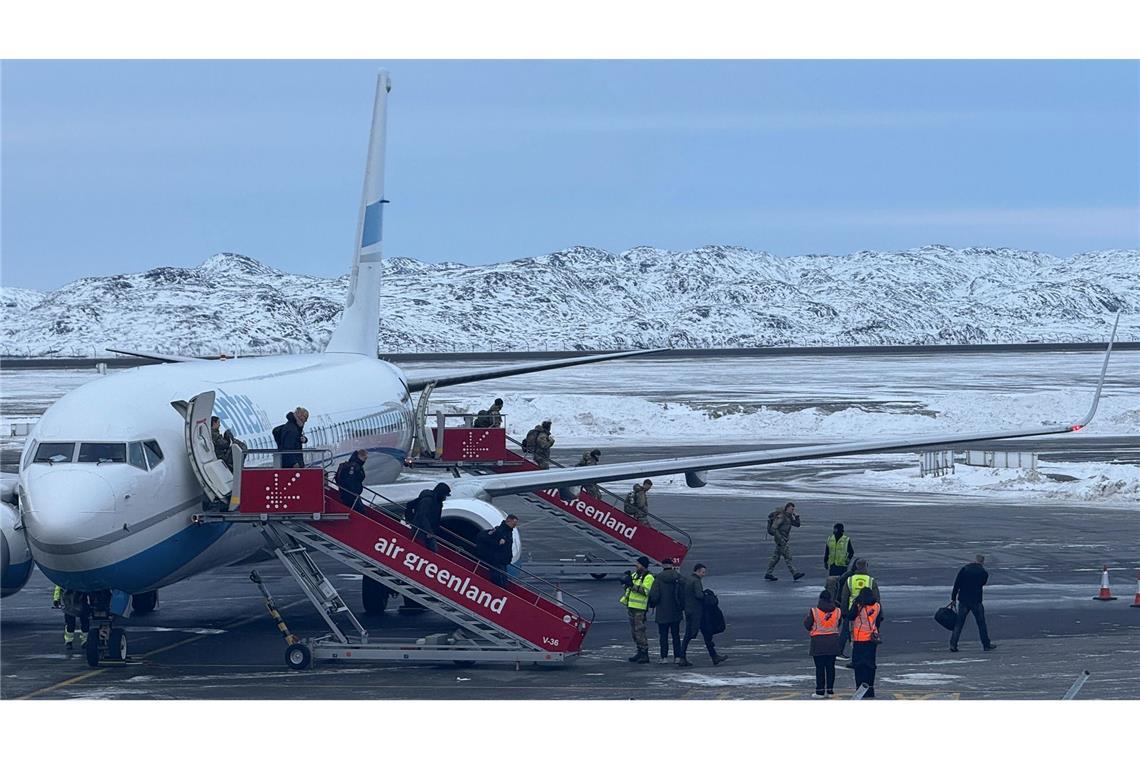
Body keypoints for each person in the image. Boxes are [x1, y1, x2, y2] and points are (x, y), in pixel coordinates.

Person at [678, 563, 728, 667]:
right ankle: (683, 657)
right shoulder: (696, 581)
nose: (704, 574)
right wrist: (708, 596)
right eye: (703, 572)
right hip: (697, 612)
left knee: (697, 634)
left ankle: (713, 656)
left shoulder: (688, 579)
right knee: (696, 634)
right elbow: (699, 595)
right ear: (698, 571)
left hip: (689, 610)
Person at [950, 554, 996, 653]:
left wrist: (953, 598)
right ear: (982, 562)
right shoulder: (983, 572)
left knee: (959, 624)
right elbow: (983, 583)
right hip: (976, 600)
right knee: (981, 624)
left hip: (963, 600)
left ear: (974, 560)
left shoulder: (964, 569)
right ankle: (986, 645)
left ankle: (953, 644)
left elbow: (957, 584)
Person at [836, 558, 880, 659]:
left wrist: (844, 611)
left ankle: (853, 654)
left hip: (853, 611)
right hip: (868, 611)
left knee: (852, 633)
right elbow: (876, 597)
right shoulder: (870, 580)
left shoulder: (850, 579)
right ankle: (866, 654)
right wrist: (878, 612)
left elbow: (845, 597)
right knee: (868, 631)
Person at [803, 589, 842, 697]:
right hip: (833, 641)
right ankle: (830, 690)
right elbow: (838, 623)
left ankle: (820, 691)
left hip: (818, 642)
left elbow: (807, 625)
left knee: (820, 668)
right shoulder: (837, 611)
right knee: (831, 667)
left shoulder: (814, 611)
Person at [847, 587, 883, 698]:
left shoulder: (859, 606)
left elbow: (850, 616)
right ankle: (870, 689)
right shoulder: (877, 606)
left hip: (860, 638)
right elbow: (879, 620)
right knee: (870, 665)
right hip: (872, 639)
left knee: (859, 666)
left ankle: (860, 689)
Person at [619, 555, 655, 664]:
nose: (636, 565)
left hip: (640, 608)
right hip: (631, 606)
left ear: (643, 566)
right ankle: (639, 651)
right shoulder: (635, 575)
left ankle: (644, 653)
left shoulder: (649, 577)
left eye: (638, 564)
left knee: (640, 631)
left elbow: (645, 592)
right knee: (634, 632)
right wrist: (625, 582)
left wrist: (631, 584)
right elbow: (628, 588)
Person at [649, 557, 683, 663]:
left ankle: (664, 657)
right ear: (672, 565)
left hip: (662, 612)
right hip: (676, 611)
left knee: (663, 636)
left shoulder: (658, 578)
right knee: (676, 635)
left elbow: (654, 595)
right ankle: (677, 657)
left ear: (663, 566)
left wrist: (652, 605)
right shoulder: (678, 577)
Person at [764, 502, 804, 581]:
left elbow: (797, 525)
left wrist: (797, 517)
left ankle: (768, 573)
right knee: (788, 557)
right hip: (781, 540)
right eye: (792, 509)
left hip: (783, 539)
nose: (793, 511)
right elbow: (773, 528)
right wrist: (780, 538)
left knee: (776, 557)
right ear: (787, 508)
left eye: (793, 509)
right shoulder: (782, 517)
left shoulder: (789, 517)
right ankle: (795, 573)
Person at [405, 483, 450, 551]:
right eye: (444, 495)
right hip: (421, 530)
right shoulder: (428, 501)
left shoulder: (437, 502)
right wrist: (428, 531)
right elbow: (422, 516)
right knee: (430, 550)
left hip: (427, 531)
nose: (445, 498)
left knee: (430, 549)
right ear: (440, 494)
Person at [476, 515, 518, 587]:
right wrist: (498, 543)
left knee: (503, 578)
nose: (514, 526)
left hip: (502, 560)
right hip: (497, 559)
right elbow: (486, 539)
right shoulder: (500, 530)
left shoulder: (508, 531)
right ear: (508, 521)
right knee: (498, 578)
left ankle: (501, 589)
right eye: (513, 524)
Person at [52, 585, 90, 650]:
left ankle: (85, 641)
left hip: (80, 598)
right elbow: (58, 586)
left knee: (85, 622)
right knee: (70, 624)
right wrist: (56, 598)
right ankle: (69, 641)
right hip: (69, 601)